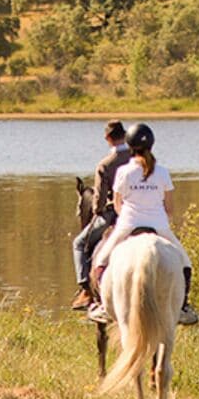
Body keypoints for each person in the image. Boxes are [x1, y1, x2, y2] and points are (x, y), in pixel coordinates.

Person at [83, 123, 198, 326]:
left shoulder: (124, 172)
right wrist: (160, 219)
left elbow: (118, 205)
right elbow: (169, 207)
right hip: (159, 225)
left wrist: (130, 215)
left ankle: (102, 305)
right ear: (151, 146)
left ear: (130, 146)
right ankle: (183, 307)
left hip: (128, 224)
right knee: (186, 262)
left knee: (101, 260)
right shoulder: (162, 171)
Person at [69, 121, 131, 310]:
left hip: (114, 214)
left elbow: (99, 202)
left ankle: (86, 289)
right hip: (141, 211)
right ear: (126, 135)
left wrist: (97, 209)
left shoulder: (105, 164)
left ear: (107, 138)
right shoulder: (140, 158)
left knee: (79, 244)